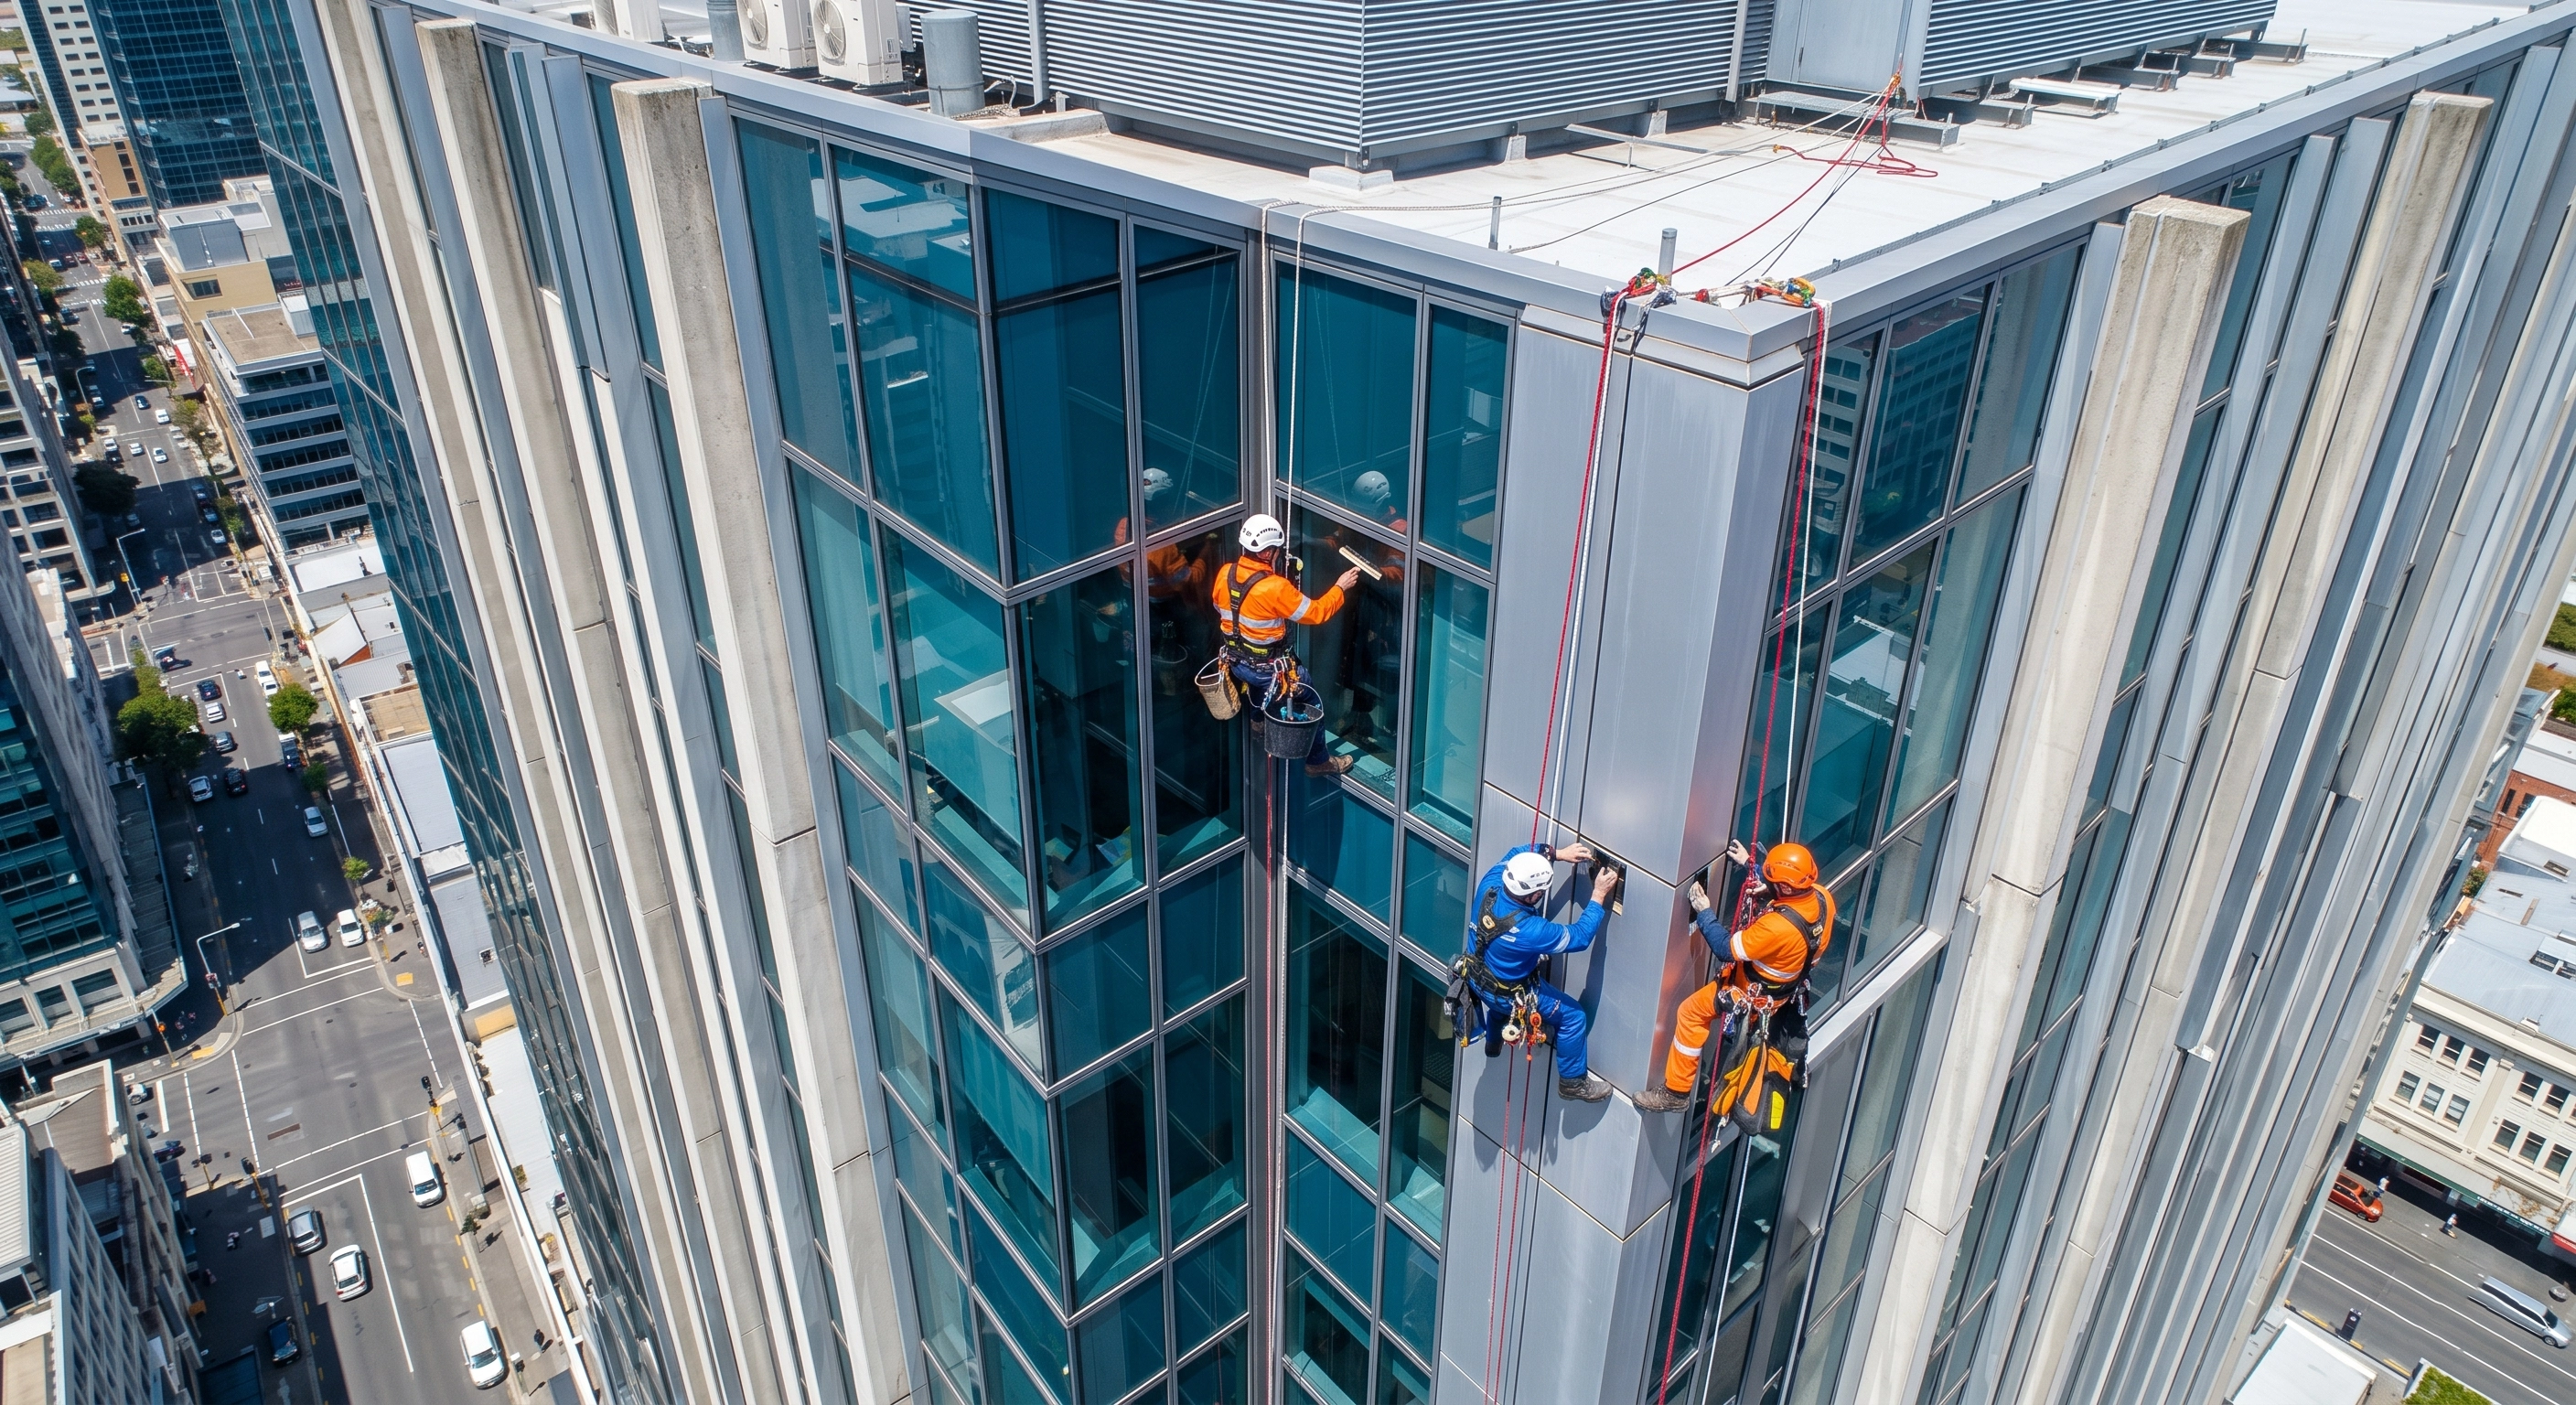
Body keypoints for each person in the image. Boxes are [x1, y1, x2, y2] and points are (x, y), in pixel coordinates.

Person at [1636, 839, 1835, 1113]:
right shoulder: (1823, 897)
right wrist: (1752, 866)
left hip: (1751, 993)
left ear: (1786, 887)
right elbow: (1790, 902)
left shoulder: (1777, 927)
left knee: (1691, 1014)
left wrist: (1704, 912)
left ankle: (1676, 1092)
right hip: (1783, 992)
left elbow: (1726, 949)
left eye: (1773, 881)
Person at [1456, 842, 1622, 1101]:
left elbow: (1514, 853)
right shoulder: (1530, 929)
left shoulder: (1491, 883)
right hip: (1509, 996)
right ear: (1532, 896)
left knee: (1499, 997)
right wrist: (1598, 895)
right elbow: (1579, 937)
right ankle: (1573, 1083)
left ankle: (1493, 1043)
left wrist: (1557, 854)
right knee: (1574, 1017)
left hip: (1477, 980)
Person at [1212, 513, 1362, 777]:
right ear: (1269, 552)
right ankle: (1318, 761)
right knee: (1311, 697)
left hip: (1237, 664)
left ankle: (1258, 724)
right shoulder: (1275, 588)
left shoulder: (1226, 573)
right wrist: (1340, 587)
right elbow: (1316, 613)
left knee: (1259, 684)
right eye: (1277, 550)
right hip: (1268, 670)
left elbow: (1220, 606)